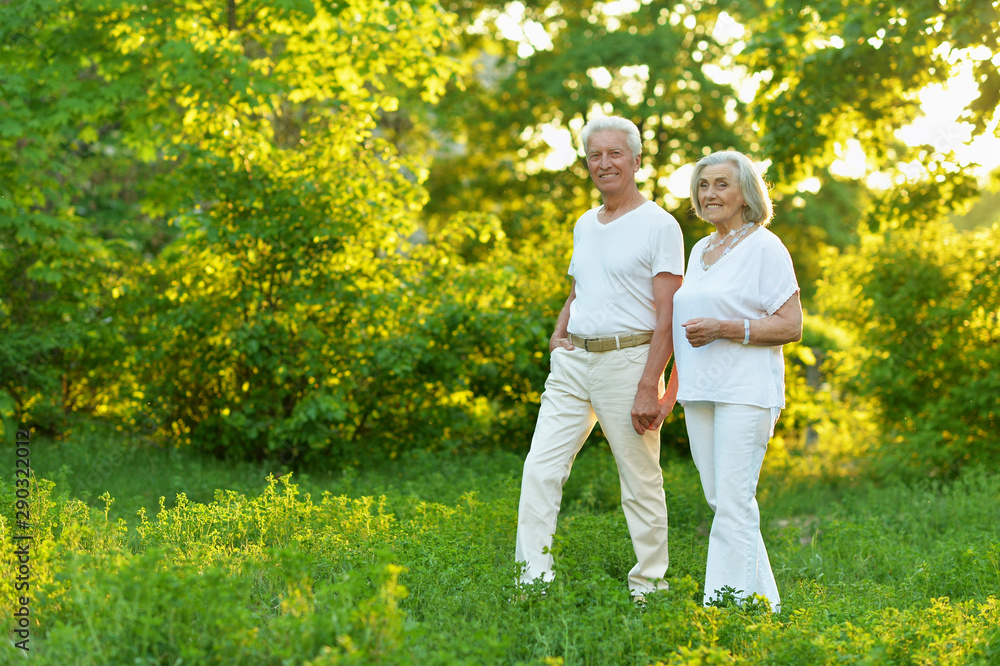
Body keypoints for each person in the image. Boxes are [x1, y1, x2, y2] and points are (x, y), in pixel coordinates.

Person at [514, 116, 684, 601]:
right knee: (540, 470)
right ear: (587, 162)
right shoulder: (585, 223)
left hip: (629, 363)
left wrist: (649, 384)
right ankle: (532, 585)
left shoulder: (660, 225)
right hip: (573, 366)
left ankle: (649, 590)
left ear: (635, 160)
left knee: (640, 480)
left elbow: (669, 313)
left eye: (614, 154)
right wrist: (558, 334)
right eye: (595, 155)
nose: (604, 163)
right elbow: (579, 290)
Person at [672, 150, 802, 612]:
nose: (710, 193)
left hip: (745, 392)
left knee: (733, 501)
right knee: (723, 500)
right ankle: (764, 607)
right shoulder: (700, 251)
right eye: (703, 185)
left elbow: (791, 325)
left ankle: (724, 610)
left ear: (746, 193)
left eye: (721, 184)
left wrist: (727, 329)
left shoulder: (766, 247)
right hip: (700, 391)